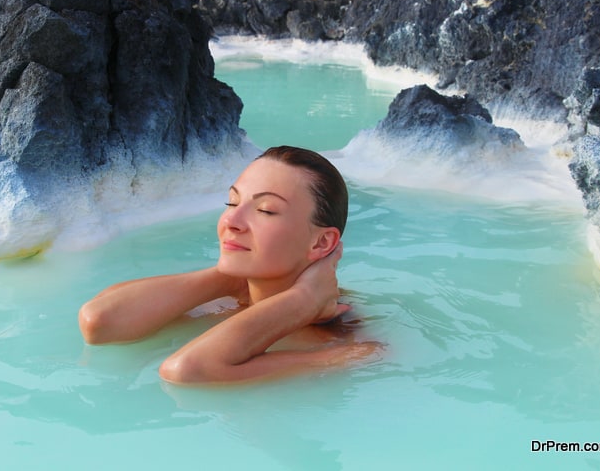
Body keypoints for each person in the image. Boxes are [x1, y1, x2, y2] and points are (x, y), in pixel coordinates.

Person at [78, 145, 381, 384]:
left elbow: (187, 370)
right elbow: (99, 322)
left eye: (266, 210)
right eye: (232, 203)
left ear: (321, 243)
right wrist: (227, 277)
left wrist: (303, 300)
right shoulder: (225, 299)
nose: (231, 222)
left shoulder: (349, 345)